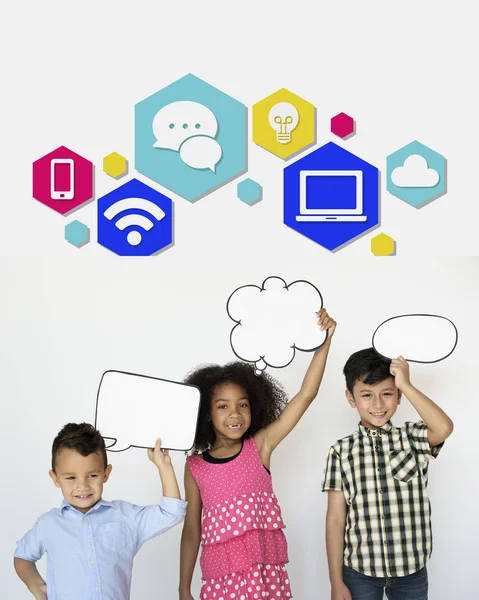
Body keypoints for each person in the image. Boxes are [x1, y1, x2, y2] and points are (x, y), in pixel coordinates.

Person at [179, 308, 336, 600]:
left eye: (243, 404)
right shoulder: (195, 467)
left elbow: (305, 394)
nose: (235, 414)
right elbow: (191, 530)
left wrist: (324, 342)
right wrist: (183, 587)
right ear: (206, 413)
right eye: (223, 406)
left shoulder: (259, 447)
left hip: (265, 580)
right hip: (220, 581)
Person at [322, 348, 454, 600]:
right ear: (351, 398)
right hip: (360, 570)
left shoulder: (412, 437)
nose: (378, 404)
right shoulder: (340, 451)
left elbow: (444, 427)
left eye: (387, 393)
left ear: (398, 396)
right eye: (367, 395)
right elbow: (336, 520)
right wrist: (335, 581)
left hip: (411, 568)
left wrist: (406, 382)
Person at [14, 422, 186, 600]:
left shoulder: (125, 517)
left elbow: (171, 513)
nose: (82, 486)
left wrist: (163, 465)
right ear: (55, 478)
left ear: (106, 473)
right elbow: (22, 556)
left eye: (92, 475)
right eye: (71, 477)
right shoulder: (48, 524)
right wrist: (36, 586)